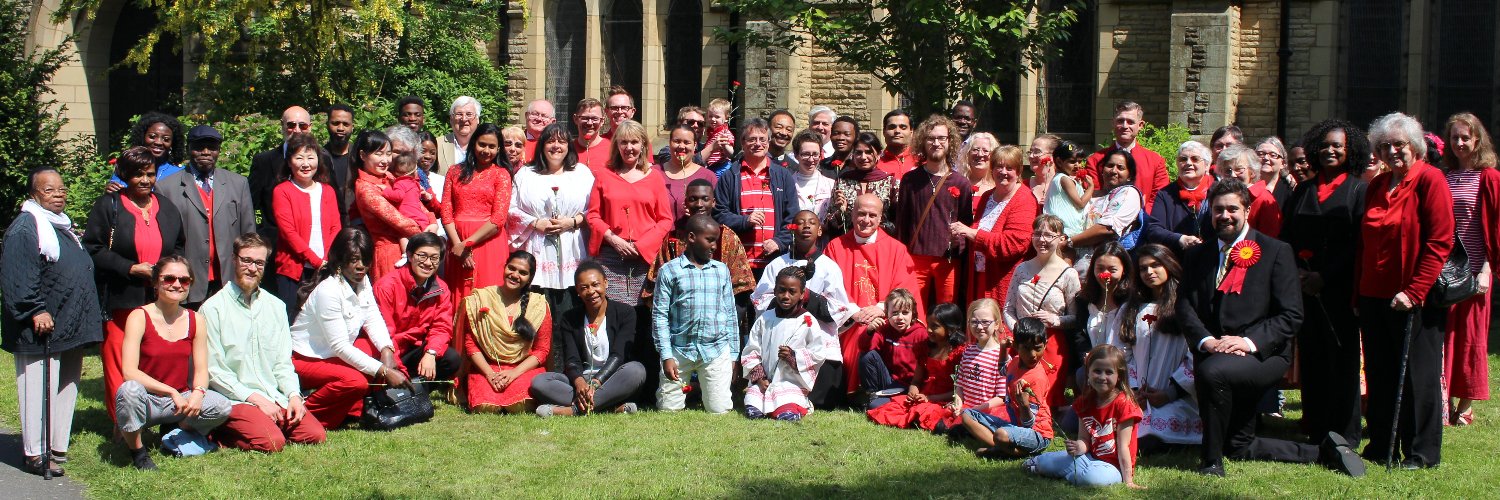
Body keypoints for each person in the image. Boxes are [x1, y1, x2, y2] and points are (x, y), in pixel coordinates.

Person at [1178, 180, 1361, 477]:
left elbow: (1290, 315)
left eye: (1232, 209)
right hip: (1214, 349)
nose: (1224, 215)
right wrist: (1206, 341)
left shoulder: (1276, 251)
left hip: (1264, 354)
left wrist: (1247, 342)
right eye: (1218, 209)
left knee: (1212, 372)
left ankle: (1211, 461)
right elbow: (1185, 306)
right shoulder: (1198, 255)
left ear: (1247, 210)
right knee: (1238, 443)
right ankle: (1322, 451)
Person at [1357, 112, 1454, 469]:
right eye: (1384, 146)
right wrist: (1358, 295)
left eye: (1399, 144)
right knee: (1381, 375)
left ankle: (1421, 452)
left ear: (1415, 146)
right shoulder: (1377, 186)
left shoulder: (1430, 180)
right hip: (1374, 295)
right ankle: (1382, 444)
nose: (1392, 151)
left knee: (1417, 376)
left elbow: (1439, 242)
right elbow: (1365, 245)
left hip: (1415, 298)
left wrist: (1414, 291)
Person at [3, 168, 101, 476]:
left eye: (61, 189)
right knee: (37, 387)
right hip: (42, 325)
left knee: (66, 384)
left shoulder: (60, 225)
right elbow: (16, 275)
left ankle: (56, 445)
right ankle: (35, 452)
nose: (58, 194)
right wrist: (34, 310)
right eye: (49, 190)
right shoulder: (26, 227)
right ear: (34, 195)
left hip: (70, 322)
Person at [1281, 119, 1370, 445]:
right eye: (1326, 145)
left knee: (1342, 359)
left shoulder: (1359, 190)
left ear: (1350, 152)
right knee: (1314, 357)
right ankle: (1315, 426)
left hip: (1339, 287)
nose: (1330, 151)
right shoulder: (1303, 190)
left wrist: (1324, 276)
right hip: (1304, 286)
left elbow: (1357, 242)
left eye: (1338, 146)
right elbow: (1287, 236)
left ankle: (1345, 431)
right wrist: (1298, 273)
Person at [83, 146, 186, 424]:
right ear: (125, 176)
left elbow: (178, 246)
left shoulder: (167, 207)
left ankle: (158, 415)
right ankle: (122, 423)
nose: (144, 180)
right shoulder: (109, 206)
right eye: (138, 175)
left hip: (158, 299)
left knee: (153, 358)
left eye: (150, 174)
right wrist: (130, 268)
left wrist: (165, 272)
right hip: (121, 298)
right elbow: (92, 247)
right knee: (119, 361)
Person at [203, 233, 326, 452]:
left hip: (273, 395)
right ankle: (221, 432)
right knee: (272, 443)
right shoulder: (213, 309)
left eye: (259, 263)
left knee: (314, 435)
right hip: (235, 399)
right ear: (234, 259)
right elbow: (215, 371)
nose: (252, 268)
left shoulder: (276, 307)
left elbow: (283, 363)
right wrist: (257, 400)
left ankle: (265, 425)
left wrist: (294, 396)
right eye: (246, 260)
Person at [114, 255, 232, 470]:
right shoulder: (139, 316)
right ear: (156, 282)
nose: (177, 284)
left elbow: (202, 369)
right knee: (128, 391)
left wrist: (198, 393)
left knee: (221, 406)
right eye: (169, 278)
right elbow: (129, 372)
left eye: (184, 280)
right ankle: (138, 451)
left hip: (179, 401)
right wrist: (170, 391)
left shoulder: (196, 319)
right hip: (147, 398)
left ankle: (175, 430)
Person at [289, 228, 405, 428]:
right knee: (355, 381)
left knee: (383, 350)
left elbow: (372, 316)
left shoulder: (362, 280)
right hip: (304, 358)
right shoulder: (329, 290)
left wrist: (386, 350)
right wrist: (383, 371)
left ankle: (354, 410)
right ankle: (305, 414)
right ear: (340, 262)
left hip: (332, 355)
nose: (361, 266)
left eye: (365, 260)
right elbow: (340, 346)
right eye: (354, 260)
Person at [824, 193, 922, 394]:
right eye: (861, 214)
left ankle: (876, 389)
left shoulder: (896, 249)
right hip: (848, 318)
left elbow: (905, 288)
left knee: (870, 333)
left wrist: (880, 309)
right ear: (851, 215)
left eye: (872, 215)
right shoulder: (836, 247)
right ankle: (851, 391)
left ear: (880, 218)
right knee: (857, 333)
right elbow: (827, 288)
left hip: (887, 316)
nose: (866, 220)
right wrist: (853, 312)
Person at [1440, 112, 1500, 427]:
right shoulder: (1443, 176)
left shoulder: (1488, 177)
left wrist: (1487, 269)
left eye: (1466, 137)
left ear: (1477, 139)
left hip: (1476, 268)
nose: (1460, 143)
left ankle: (1465, 404)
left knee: (1471, 337)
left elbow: (1496, 226)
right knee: (1445, 335)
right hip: (1445, 268)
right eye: (1455, 138)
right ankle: (1444, 401)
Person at [157, 125, 257, 307]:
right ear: (188, 148)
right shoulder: (166, 188)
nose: (205, 152)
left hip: (227, 278)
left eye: (212, 148)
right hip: (188, 280)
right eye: (199, 147)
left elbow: (248, 234)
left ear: (219, 150)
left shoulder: (238, 183)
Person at [531, 261, 645, 416]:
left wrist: (595, 383)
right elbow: (571, 359)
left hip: (613, 379)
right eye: (584, 287)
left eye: (595, 284)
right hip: (581, 380)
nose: (591, 291)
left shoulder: (626, 313)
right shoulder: (569, 318)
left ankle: (573, 410)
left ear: (605, 283)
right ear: (577, 291)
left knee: (636, 370)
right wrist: (580, 382)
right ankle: (608, 406)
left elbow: (619, 355)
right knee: (540, 382)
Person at [652, 215, 740, 413]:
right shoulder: (669, 271)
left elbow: (730, 314)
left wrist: (733, 356)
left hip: (715, 349)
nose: (715, 246)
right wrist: (666, 355)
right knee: (668, 410)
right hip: (679, 349)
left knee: (720, 410)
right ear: (691, 237)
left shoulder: (721, 270)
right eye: (709, 240)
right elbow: (660, 316)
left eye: (716, 240)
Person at [1118, 244, 1201, 450]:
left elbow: (1195, 354)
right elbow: (1121, 353)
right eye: (1143, 268)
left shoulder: (1186, 306)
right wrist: (1134, 388)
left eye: (1155, 265)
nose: (1149, 272)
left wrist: (1170, 393)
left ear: (1169, 265)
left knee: (1154, 436)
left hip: (1177, 395)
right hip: (1139, 395)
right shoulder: (1130, 308)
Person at [1024, 345, 1143, 488]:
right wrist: (1078, 447)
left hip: (1114, 466)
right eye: (1097, 371)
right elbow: (1085, 439)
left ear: (1119, 376)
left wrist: (1128, 480)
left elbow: (1124, 447)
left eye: (1109, 372)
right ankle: (1044, 463)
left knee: (1091, 479)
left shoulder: (1124, 404)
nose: (1102, 377)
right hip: (1089, 458)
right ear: (1088, 373)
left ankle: (1071, 472)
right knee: (1047, 463)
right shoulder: (1084, 402)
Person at [510, 122, 594, 317]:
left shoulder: (582, 173)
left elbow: (596, 209)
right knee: (536, 309)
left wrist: (573, 221)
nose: (556, 146)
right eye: (550, 141)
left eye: (562, 141)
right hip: (536, 245)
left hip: (572, 246)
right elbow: (510, 208)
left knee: (570, 308)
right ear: (542, 146)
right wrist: (535, 222)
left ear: (569, 146)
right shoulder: (525, 174)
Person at [586, 120, 674, 306]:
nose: (629, 147)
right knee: (612, 314)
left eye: (634, 142)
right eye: (623, 142)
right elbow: (593, 216)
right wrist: (613, 239)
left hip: (644, 258)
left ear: (642, 144)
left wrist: (641, 246)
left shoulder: (654, 177)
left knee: (644, 316)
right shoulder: (604, 175)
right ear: (616, 145)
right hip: (610, 257)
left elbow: (665, 220)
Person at [742, 263, 839, 421]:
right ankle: (762, 404)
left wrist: (793, 356)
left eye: (792, 292)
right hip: (764, 382)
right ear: (774, 291)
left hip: (790, 383)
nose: (786, 296)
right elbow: (751, 350)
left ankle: (793, 406)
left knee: (785, 412)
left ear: (802, 294)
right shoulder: (765, 319)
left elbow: (818, 354)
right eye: (781, 290)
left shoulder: (807, 321)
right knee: (753, 412)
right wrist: (759, 378)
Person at [459, 251, 553, 413]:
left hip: (522, 368)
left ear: (530, 278)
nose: (515, 275)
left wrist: (514, 373)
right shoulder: (481, 299)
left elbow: (542, 350)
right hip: (487, 367)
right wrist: (489, 374)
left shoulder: (537, 305)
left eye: (523, 273)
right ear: (504, 268)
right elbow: (471, 344)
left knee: (520, 405)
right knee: (486, 407)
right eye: (512, 268)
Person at [896, 115, 974, 306]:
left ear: (950, 142)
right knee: (913, 311)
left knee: (946, 312)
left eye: (941, 138)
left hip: (947, 260)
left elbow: (966, 224)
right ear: (923, 142)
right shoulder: (910, 180)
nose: (936, 143)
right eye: (931, 138)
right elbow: (902, 222)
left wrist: (959, 244)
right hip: (915, 258)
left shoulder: (961, 183)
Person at [1005, 215, 1082, 408]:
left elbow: (1076, 317)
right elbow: (1008, 307)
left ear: (1060, 238)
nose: (1042, 240)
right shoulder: (1022, 269)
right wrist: (1018, 328)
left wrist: (1055, 319)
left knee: (1045, 400)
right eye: (1037, 234)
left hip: (1050, 343)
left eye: (1049, 235)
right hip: (1021, 341)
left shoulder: (1068, 273)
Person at [713, 118, 799, 278]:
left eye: (762, 139)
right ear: (743, 142)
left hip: (774, 263)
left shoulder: (783, 175)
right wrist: (744, 221)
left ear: (768, 142)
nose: (758, 144)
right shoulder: (730, 176)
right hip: (739, 264)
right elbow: (718, 214)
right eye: (752, 139)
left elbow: (793, 217)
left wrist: (779, 242)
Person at [952, 145, 1036, 306]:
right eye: (998, 166)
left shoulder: (1024, 199)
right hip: (979, 275)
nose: (1003, 172)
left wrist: (973, 234)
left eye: (1009, 168)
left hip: (1003, 279)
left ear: (1018, 171)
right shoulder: (987, 196)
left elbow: (1013, 244)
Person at [271, 133, 342, 319]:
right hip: (293, 270)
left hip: (326, 267)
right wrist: (316, 260)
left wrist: (327, 259)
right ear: (289, 161)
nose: (306, 164)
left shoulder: (327, 191)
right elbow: (289, 232)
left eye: (311, 157)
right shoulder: (282, 191)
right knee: (292, 319)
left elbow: (336, 227)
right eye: (299, 158)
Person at [373, 233, 461, 382]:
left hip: (415, 348)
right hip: (387, 349)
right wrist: (398, 371)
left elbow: (442, 326)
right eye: (422, 256)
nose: (428, 263)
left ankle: (415, 390)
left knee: (451, 359)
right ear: (409, 255)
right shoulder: (386, 286)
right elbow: (384, 333)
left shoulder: (441, 288)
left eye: (434, 258)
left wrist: (431, 353)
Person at [440, 123, 513, 299]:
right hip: (457, 239)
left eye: (492, 146)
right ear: (473, 143)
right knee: (459, 293)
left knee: (486, 294)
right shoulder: (454, 171)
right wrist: (458, 244)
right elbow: (446, 211)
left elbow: (498, 219)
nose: (486, 150)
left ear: (498, 149)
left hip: (488, 241)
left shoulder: (501, 174)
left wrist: (466, 245)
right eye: (482, 144)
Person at [648, 179, 755, 300]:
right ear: (686, 203)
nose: (699, 204)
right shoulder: (674, 239)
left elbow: (741, 286)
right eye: (693, 199)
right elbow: (657, 283)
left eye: (705, 199)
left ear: (713, 202)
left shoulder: (727, 237)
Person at [965, 317, 1055, 459]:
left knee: (1001, 434)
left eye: (1038, 348)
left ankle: (1009, 451)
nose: (1032, 355)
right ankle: (1001, 448)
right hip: (1015, 426)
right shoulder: (1015, 362)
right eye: (1026, 348)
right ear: (1016, 346)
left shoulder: (1037, 378)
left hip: (1037, 434)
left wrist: (1024, 405)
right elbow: (1002, 369)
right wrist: (1003, 348)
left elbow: (1029, 424)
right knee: (967, 415)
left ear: (1045, 345)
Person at [865, 303, 966, 429]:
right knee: (878, 406)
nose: (928, 330)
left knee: (929, 412)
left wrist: (929, 398)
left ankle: (931, 420)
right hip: (924, 396)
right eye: (928, 325)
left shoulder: (960, 353)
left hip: (945, 399)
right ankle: (919, 417)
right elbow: (917, 380)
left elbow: (958, 391)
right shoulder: (925, 348)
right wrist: (912, 393)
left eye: (935, 327)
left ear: (951, 329)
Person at [352, 130, 424, 280]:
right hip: (389, 253)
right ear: (363, 155)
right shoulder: (366, 188)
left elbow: (414, 202)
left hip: (411, 246)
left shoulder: (389, 176)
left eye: (388, 154)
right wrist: (427, 234)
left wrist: (429, 219)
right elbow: (400, 222)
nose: (385, 160)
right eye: (379, 154)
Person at [251, 106, 314, 259]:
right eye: (291, 125)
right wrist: (261, 233)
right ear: (282, 126)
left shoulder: (321, 160)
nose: (297, 130)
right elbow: (249, 204)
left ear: (310, 128)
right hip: (275, 248)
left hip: (314, 247)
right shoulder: (264, 161)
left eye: (303, 125)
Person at [1083, 101, 1170, 211]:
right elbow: (1093, 195)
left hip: (1143, 223)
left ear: (1140, 125)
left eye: (1130, 122)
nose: (1125, 126)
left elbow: (1159, 197)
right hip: (1104, 221)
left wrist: (1139, 217)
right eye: (1120, 121)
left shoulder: (1155, 161)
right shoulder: (1095, 160)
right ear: (1113, 123)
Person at [1067, 149, 1143, 276]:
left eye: (1120, 167)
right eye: (1110, 165)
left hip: (1105, 270)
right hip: (1074, 267)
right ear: (1102, 170)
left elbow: (1107, 228)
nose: (1114, 171)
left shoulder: (1128, 193)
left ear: (1129, 175)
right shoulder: (1091, 195)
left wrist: (1069, 242)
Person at [858, 288, 928, 408]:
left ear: (913, 314)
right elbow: (864, 349)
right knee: (867, 356)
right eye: (895, 313)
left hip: (912, 386)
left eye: (905, 313)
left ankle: (889, 402)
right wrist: (869, 331)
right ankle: (872, 395)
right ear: (887, 313)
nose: (900, 317)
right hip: (889, 382)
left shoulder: (921, 334)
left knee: (878, 406)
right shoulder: (884, 329)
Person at [1143, 141, 1212, 255]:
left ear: (1207, 165)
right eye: (1183, 159)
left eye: (1195, 159)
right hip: (1176, 258)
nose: (1188, 163)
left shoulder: (1217, 191)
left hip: (1211, 257)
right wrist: (1180, 239)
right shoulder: (1165, 194)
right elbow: (1153, 229)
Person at [825, 133, 897, 237]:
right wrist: (841, 213)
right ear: (852, 155)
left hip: (880, 242)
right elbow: (830, 221)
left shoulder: (890, 182)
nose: (863, 157)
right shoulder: (843, 181)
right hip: (848, 242)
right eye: (858, 152)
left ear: (879, 154)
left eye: (868, 152)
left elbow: (898, 220)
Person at [106, 112, 187, 189]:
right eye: (152, 136)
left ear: (172, 143)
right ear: (142, 137)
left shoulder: (180, 172)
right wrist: (111, 191)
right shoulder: (127, 166)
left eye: (166, 139)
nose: (158, 142)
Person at [1215, 144, 1282, 237]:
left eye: (1239, 169)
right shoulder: (1218, 197)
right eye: (1227, 170)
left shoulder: (1264, 199)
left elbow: (1270, 238)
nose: (1233, 175)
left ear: (1252, 172)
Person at [660, 124, 719, 220]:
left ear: (695, 145)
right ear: (669, 143)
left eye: (687, 142)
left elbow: (718, 212)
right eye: (676, 141)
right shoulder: (654, 173)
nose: (681, 146)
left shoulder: (708, 176)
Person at [1043, 140, 1092, 237]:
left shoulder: (1060, 178)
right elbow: (1080, 204)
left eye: (1080, 161)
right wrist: (1091, 187)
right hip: (1068, 230)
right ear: (1059, 162)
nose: (1077, 165)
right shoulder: (1064, 179)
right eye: (1072, 162)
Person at [790, 130, 836, 218]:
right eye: (806, 154)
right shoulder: (788, 184)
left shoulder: (831, 185)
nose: (811, 160)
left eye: (815, 154)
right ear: (796, 155)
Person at [324, 104, 357, 216]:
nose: (340, 128)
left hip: (355, 223)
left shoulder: (360, 158)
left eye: (346, 124)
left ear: (352, 127)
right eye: (335, 123)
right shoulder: (317, 157)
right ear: (327, 125)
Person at [436, 96, 482, 174]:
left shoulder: (486, 146)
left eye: (469, 114)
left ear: (477, 119)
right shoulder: (437, 144)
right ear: (451, 119)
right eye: (459, 114)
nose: (464, 119)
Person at [957, 133, 1000, 212]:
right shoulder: (957, 183)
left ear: (994, 156)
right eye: (975, 150)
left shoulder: (999, 186)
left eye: (985, 151)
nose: (980, 154)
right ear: (968, 154)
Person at [573, 98, 613, 171]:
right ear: (575, 119)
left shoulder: (613, 149)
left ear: (602, 121)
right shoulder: (567, 149)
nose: (589, 123)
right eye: (585, 118)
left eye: (594, 119)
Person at [877, 110, 917, 180]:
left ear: (911, 132)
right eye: (892, 127)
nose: (897, 131)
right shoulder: (874, 162)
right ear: (884, 131)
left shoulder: (923, 161)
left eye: (903, 127)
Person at [1256, 137, 1294, 208]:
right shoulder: (1247, 186)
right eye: (1261, 154)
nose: (1266, 158)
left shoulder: (1289, 188)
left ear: (1283, 163)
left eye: (1273, 155)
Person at [1028, 134, 1061, 203]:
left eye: (1037, 152)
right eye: (1030, 151)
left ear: (1053, 156)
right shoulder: (1023, 186)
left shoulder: (1063, 186)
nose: (1031, 156)